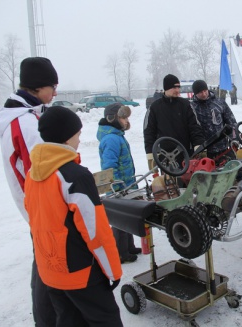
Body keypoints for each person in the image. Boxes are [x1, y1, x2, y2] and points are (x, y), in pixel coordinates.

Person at [24, 106, 123, 326]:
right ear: (67, 137)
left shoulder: (33, 174)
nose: (79, 140)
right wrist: (113, 271)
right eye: (78, 134)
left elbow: (34, 219)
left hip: (50, 271)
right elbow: (95, 232)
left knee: (69, 320)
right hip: (81, 273)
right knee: (106, 319)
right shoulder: (74, 176)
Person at [0, 57, 58, 326]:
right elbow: (42, 171)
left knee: (45, 265)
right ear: (37, 87)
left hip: (36, 208)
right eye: (52, 86)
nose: (55, 92)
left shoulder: (24, 118)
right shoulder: (25, 124)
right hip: (41, 208)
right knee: (48, 270)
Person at [97, 102, 141, 263]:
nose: (126, 121)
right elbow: (109, 166)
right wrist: (115, 186)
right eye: (123, 118)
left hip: (126, 185)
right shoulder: (111, 139)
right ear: (113, 119)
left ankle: (129, 246)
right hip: (118, 188)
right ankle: (120, 253)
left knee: (126, 218)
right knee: (120, 221)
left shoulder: (116, 136)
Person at [144, 74, 205, 170]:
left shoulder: (186, 105)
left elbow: (195, 127)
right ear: (166, 88)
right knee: (169, 184)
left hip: (186, 155)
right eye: (174, 87)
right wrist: (151, 156)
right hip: (165, 157)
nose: (177, 90)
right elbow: (149, 132)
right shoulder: (155, 107)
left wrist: (199, 147)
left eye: (178, 87)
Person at [191, 80, 237, 165]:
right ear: (195, 94)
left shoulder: (219, 103)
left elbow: (232, 122)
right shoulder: (192, 108)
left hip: (223, 148)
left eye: (205, 91)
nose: (204, 94)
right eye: (200, 92)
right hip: (204, 152)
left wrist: (234, 138)